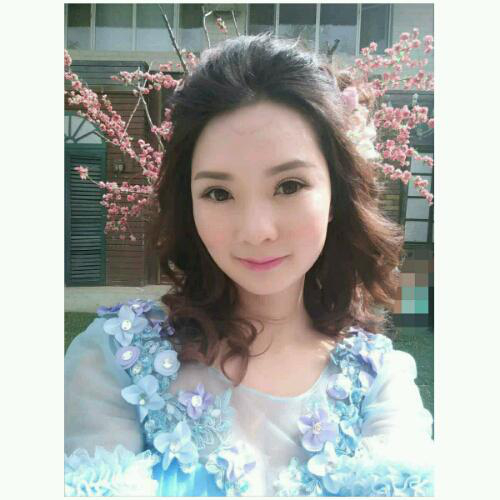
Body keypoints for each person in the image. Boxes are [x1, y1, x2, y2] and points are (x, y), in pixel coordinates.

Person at [64, 34, 434, 496]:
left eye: (289, 185)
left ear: (337, 195)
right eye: (219, 193)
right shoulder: (117, 358)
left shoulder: (378, 381)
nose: (257, 230)